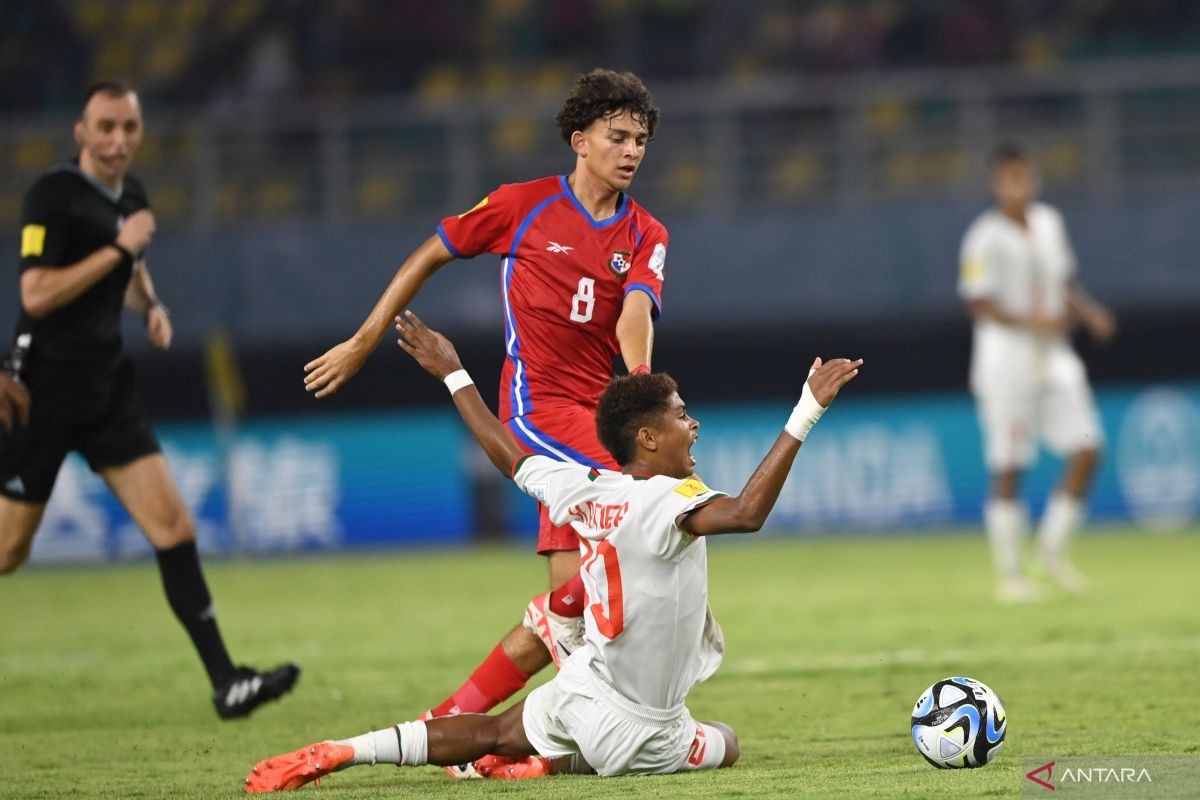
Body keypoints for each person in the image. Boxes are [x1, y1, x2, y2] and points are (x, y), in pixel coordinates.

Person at [242, 311, 862, 790]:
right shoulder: (670, 499)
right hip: (647, 729)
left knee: (493, 732)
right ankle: (559, 766)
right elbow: (748, 513)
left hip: (584, 691)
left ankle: (343, 750)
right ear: (647, 437)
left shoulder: (586, 485)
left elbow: (508, 453)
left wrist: (454, 373)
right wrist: (807, 409)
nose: (692, 425)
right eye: (681, 416)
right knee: (727, 741)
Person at [303, 70, 668, 742]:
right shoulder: (522, 206)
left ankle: (451, 727)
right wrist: (363, 340)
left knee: (572, 607)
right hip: (537, 410)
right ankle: (558, 733)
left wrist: (640, 382)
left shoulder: (647, 232)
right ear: (580, 140)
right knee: (641, 505)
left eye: (640, 139)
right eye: (617, 136)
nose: (631, 150)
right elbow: (429, 254)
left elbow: (635, 311)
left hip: (600, 419)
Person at [0, 80, 299, 718]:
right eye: (105, 127)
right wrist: (120, 248)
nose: (117, 140)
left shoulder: (130, 198)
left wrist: (152, 306)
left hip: (105, 390)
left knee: (174, 527)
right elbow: (35, 294)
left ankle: (227, 681)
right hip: (42, 392)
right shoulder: (52, 196)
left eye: (128, 128)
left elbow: (131, 273)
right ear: (81, 132)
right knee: (7, 552)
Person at [958, 143, 1116, 602]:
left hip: (1054, 356)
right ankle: (1011, 575)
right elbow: (978, 301)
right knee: (1010, 464)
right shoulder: (983, 236)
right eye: (1009, 177)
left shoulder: (1049, 223)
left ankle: (1051, 549)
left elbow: (1061, 283)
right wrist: (1034, 322)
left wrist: (1088, 314)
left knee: (1088, 449)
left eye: (1024, 176)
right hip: (1006, 362)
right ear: (996, 183)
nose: (1019, 185)